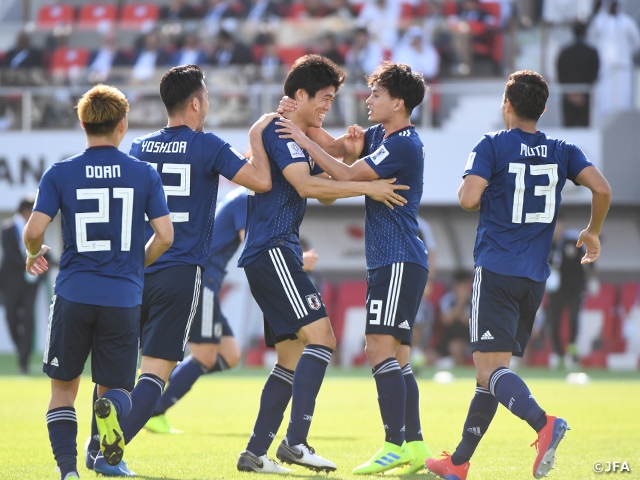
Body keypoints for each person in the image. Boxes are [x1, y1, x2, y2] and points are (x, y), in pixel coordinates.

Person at [83, 64, 273, 476]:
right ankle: (106, 457)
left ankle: (92, 442)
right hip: (180, 271)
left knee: (117, 368)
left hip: (133, 268)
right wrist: (257, 135)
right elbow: (261, 181)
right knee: (155, 373)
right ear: (194, 102)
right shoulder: (209, 146)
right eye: (206, 97)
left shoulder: (138, 147)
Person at [424, 70, 611, 480]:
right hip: (533, 276)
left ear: (506, 105)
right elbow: (602, 189)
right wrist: (592, 232)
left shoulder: (492, 145)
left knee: (491, 371)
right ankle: (458, 463)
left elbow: (469, 199)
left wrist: (483, 185)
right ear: (543, 109)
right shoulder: (562, 149)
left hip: (495, 270)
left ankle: (544, 424)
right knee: (490, 374)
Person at [236, 54, 410, 474]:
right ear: (300, 95)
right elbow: (304, 183)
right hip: (274, 250)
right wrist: (368, 188)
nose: (327, 108)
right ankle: (295, 442)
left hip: (276, 252)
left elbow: (325, 191)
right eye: (325, 99)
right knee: (324, 339)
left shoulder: (297, 131)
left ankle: (255, 453)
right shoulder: (278, 127)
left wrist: (349, 157)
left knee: (291, 358)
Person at [275, 60, 433, 475]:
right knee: (396, 357)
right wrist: (298, 120)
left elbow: (343, 174)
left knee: (378, 348)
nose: (369, 99)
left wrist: (297, 136)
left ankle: (394, 442)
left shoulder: (403, 144)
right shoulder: (383, 135)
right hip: (391, 260)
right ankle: (414, 445)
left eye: (376, 94)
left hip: (397, 258)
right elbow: (336, 148)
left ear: (398, 103)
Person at [22, 84, 173, 480]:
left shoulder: (60, 172)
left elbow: (34, 229)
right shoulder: (143, 174)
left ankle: (68, 471)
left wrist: (34, 252)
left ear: (83, 123)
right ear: (122, 125)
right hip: (123, 298)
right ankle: (107, 442)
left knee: (63, 392)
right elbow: (166, 236)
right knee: (116, 390)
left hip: (73, 293)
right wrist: (134, 266)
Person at [144, 186, 319, 433]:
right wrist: (299, 259)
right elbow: (255, 243)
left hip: (208, 282)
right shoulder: (243, 199)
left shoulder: (239, 198)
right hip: (202, 280)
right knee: (205, 355)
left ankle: (150, 384)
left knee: (230, 355)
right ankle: (153, 408)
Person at [0, 197, 43, 374]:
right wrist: (30, 261)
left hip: (30, 282)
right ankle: (21, 348)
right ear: (26, 211)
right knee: (11, 318)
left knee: (28, 319)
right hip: (10, 282)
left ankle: (24, 359)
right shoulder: (7, 228)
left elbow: (42, 249)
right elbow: (10, 254)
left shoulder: (37, 228)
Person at [545, 216, 593, 368]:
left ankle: (572, 348)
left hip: (574, 289)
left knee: (573, 317)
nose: (556, 229)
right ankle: (559, 355)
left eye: (558, 225)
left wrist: (591, 279)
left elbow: (589, 260)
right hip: (555, 290)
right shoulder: (545, 243)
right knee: (553, 322)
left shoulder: (573, 240)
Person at [588, 0, 640, 120]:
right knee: (604, 98)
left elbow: (636, 43)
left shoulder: (628, 22)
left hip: (623, 69)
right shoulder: (598, 22)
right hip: (604, 69)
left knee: (624, 97)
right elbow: (591, 41)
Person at [556, 22, 599, 127]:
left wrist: (570, 93)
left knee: (568, 133)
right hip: (585, 97)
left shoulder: (564, 52)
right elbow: (594, 74)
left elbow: (559, 73)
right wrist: (581, 94)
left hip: (568, 97)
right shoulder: (591, 52)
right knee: (584, 133)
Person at [435, 270, 473, 367]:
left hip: (469, 340)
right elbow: (446, 320)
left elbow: (470, 322)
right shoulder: (447, 299)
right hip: (447, 340)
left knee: (456, 346)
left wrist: (456, 313)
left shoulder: (474, 300)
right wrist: (460, 302)